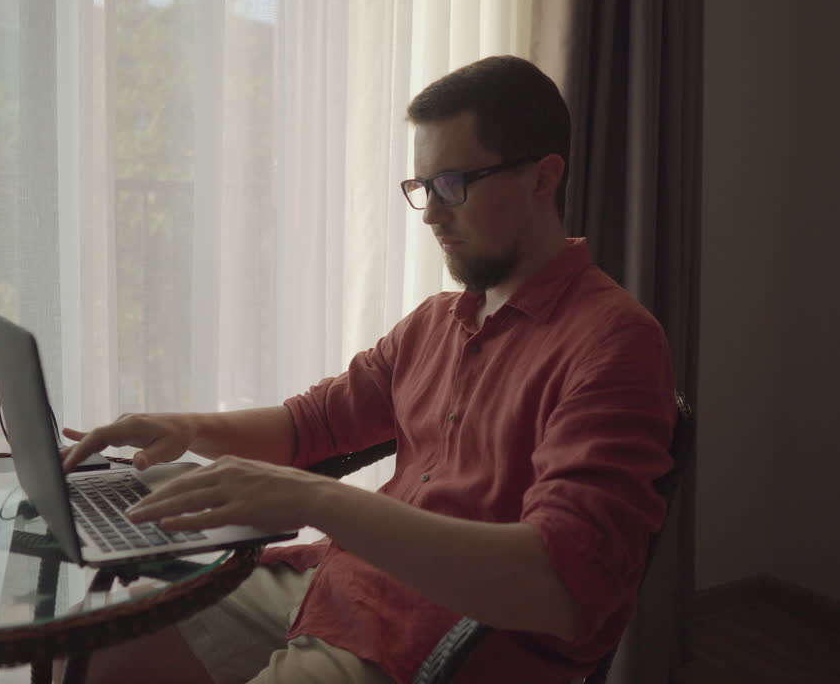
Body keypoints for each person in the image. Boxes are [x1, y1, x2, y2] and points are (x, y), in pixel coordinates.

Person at [60, 55, 676, 684]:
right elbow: (311, 425)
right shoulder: (436, 323)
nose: (433, 213)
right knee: (86, 647)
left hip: (444, 646)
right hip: (343, 587)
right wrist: (180, 429)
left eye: (454, 183)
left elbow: (557, 587)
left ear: (543, 179)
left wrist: (314, 497)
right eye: (423, 188)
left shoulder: (615, 344)